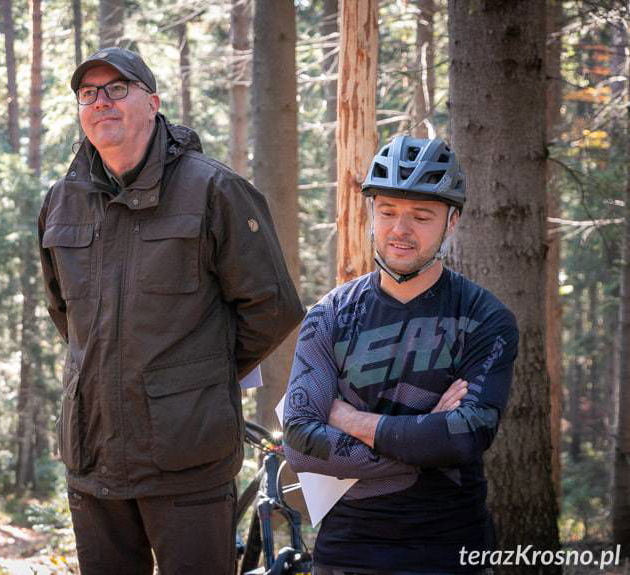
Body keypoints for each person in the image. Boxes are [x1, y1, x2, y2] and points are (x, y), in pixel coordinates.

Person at [38, 47, 304, 575]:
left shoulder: (214, 190)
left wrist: (195, 379)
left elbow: (272, 308)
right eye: (88, 93)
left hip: (187, 462)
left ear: (153, 103)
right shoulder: (60, 201)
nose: (101, 102)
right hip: (93, 459)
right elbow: (63, 313)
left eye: (118, 88)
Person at [283, 136, 516, 574]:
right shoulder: (329, 315)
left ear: (452, 222)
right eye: (387, 212)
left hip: (451, 550)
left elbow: (467, 437)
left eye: (421, 216)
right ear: (371, 214)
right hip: (347, 552)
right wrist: (428, 439)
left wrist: (348, 420)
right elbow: (299, 442)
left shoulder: (485, 318)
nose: (400, 230)